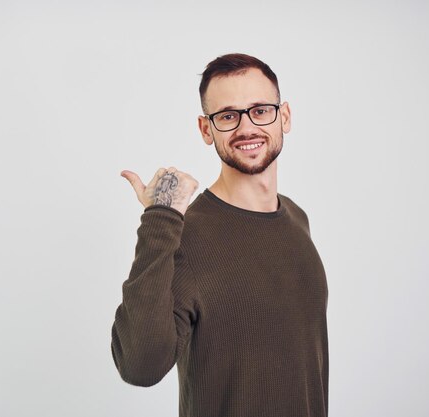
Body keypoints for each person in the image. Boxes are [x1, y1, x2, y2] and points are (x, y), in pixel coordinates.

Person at [110, 53, 329, 417]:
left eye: (260, 110)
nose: (246, 128)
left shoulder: (296, 218)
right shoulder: (184, 234)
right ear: (206, 129)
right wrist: (159, 217)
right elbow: (139, 366)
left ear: (284, 117)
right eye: (228, 116)